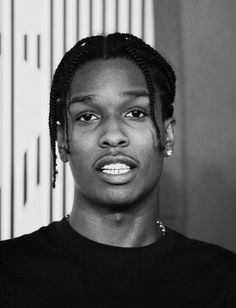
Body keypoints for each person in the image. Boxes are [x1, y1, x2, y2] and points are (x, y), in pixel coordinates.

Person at [0, 33, 235, 307]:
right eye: (88, 116)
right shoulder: (8, 273)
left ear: (167, 136)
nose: (112, 135)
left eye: (136, 113)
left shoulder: (223, 280)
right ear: (63, 142)